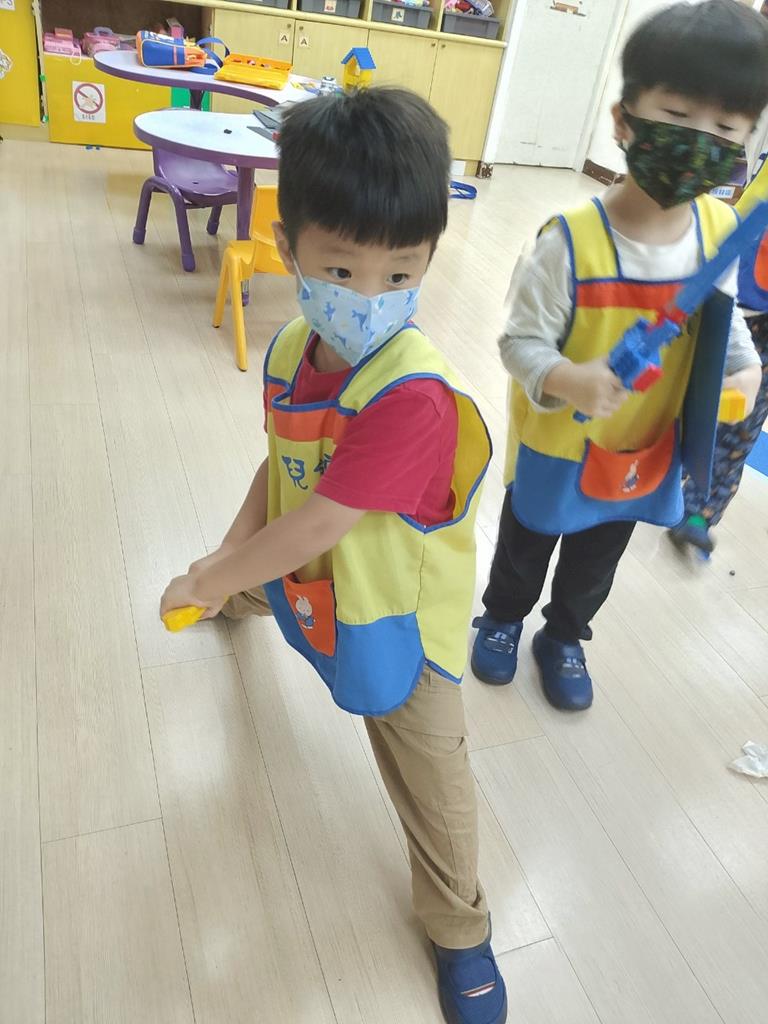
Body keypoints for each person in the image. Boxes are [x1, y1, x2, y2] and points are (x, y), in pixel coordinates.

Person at [160, 88, 506, 1024]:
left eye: (401, 272)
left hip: (399, 618)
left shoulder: (413, 397)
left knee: (431, 777)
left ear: (430, 259)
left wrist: (206, 575)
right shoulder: (290, 347)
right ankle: (243, 599)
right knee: (268, 581)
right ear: (289, 250)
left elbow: (316, 524)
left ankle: (460, 928)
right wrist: (229, 561)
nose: (369, 296)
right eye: (342, 269)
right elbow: (282, 469)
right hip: (312, 579)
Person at [471, 0, 768, 712]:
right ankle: (502, 617)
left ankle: (564, 635)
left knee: (597, 557)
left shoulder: (719, 228)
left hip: (644, 443)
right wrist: (567, 378)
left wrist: (743, 367)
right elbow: (518, 343)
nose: (700, 140)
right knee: (527, 540)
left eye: (726, 128)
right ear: (624, 121)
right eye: (678, 114)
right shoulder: (568, 240)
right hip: (559, 440)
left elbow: (724, 316)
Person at [670, 105, 768, 556]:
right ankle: (660, 478)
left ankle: (699, 513)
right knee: (691, 398)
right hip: (729, 299)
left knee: (742, 423)